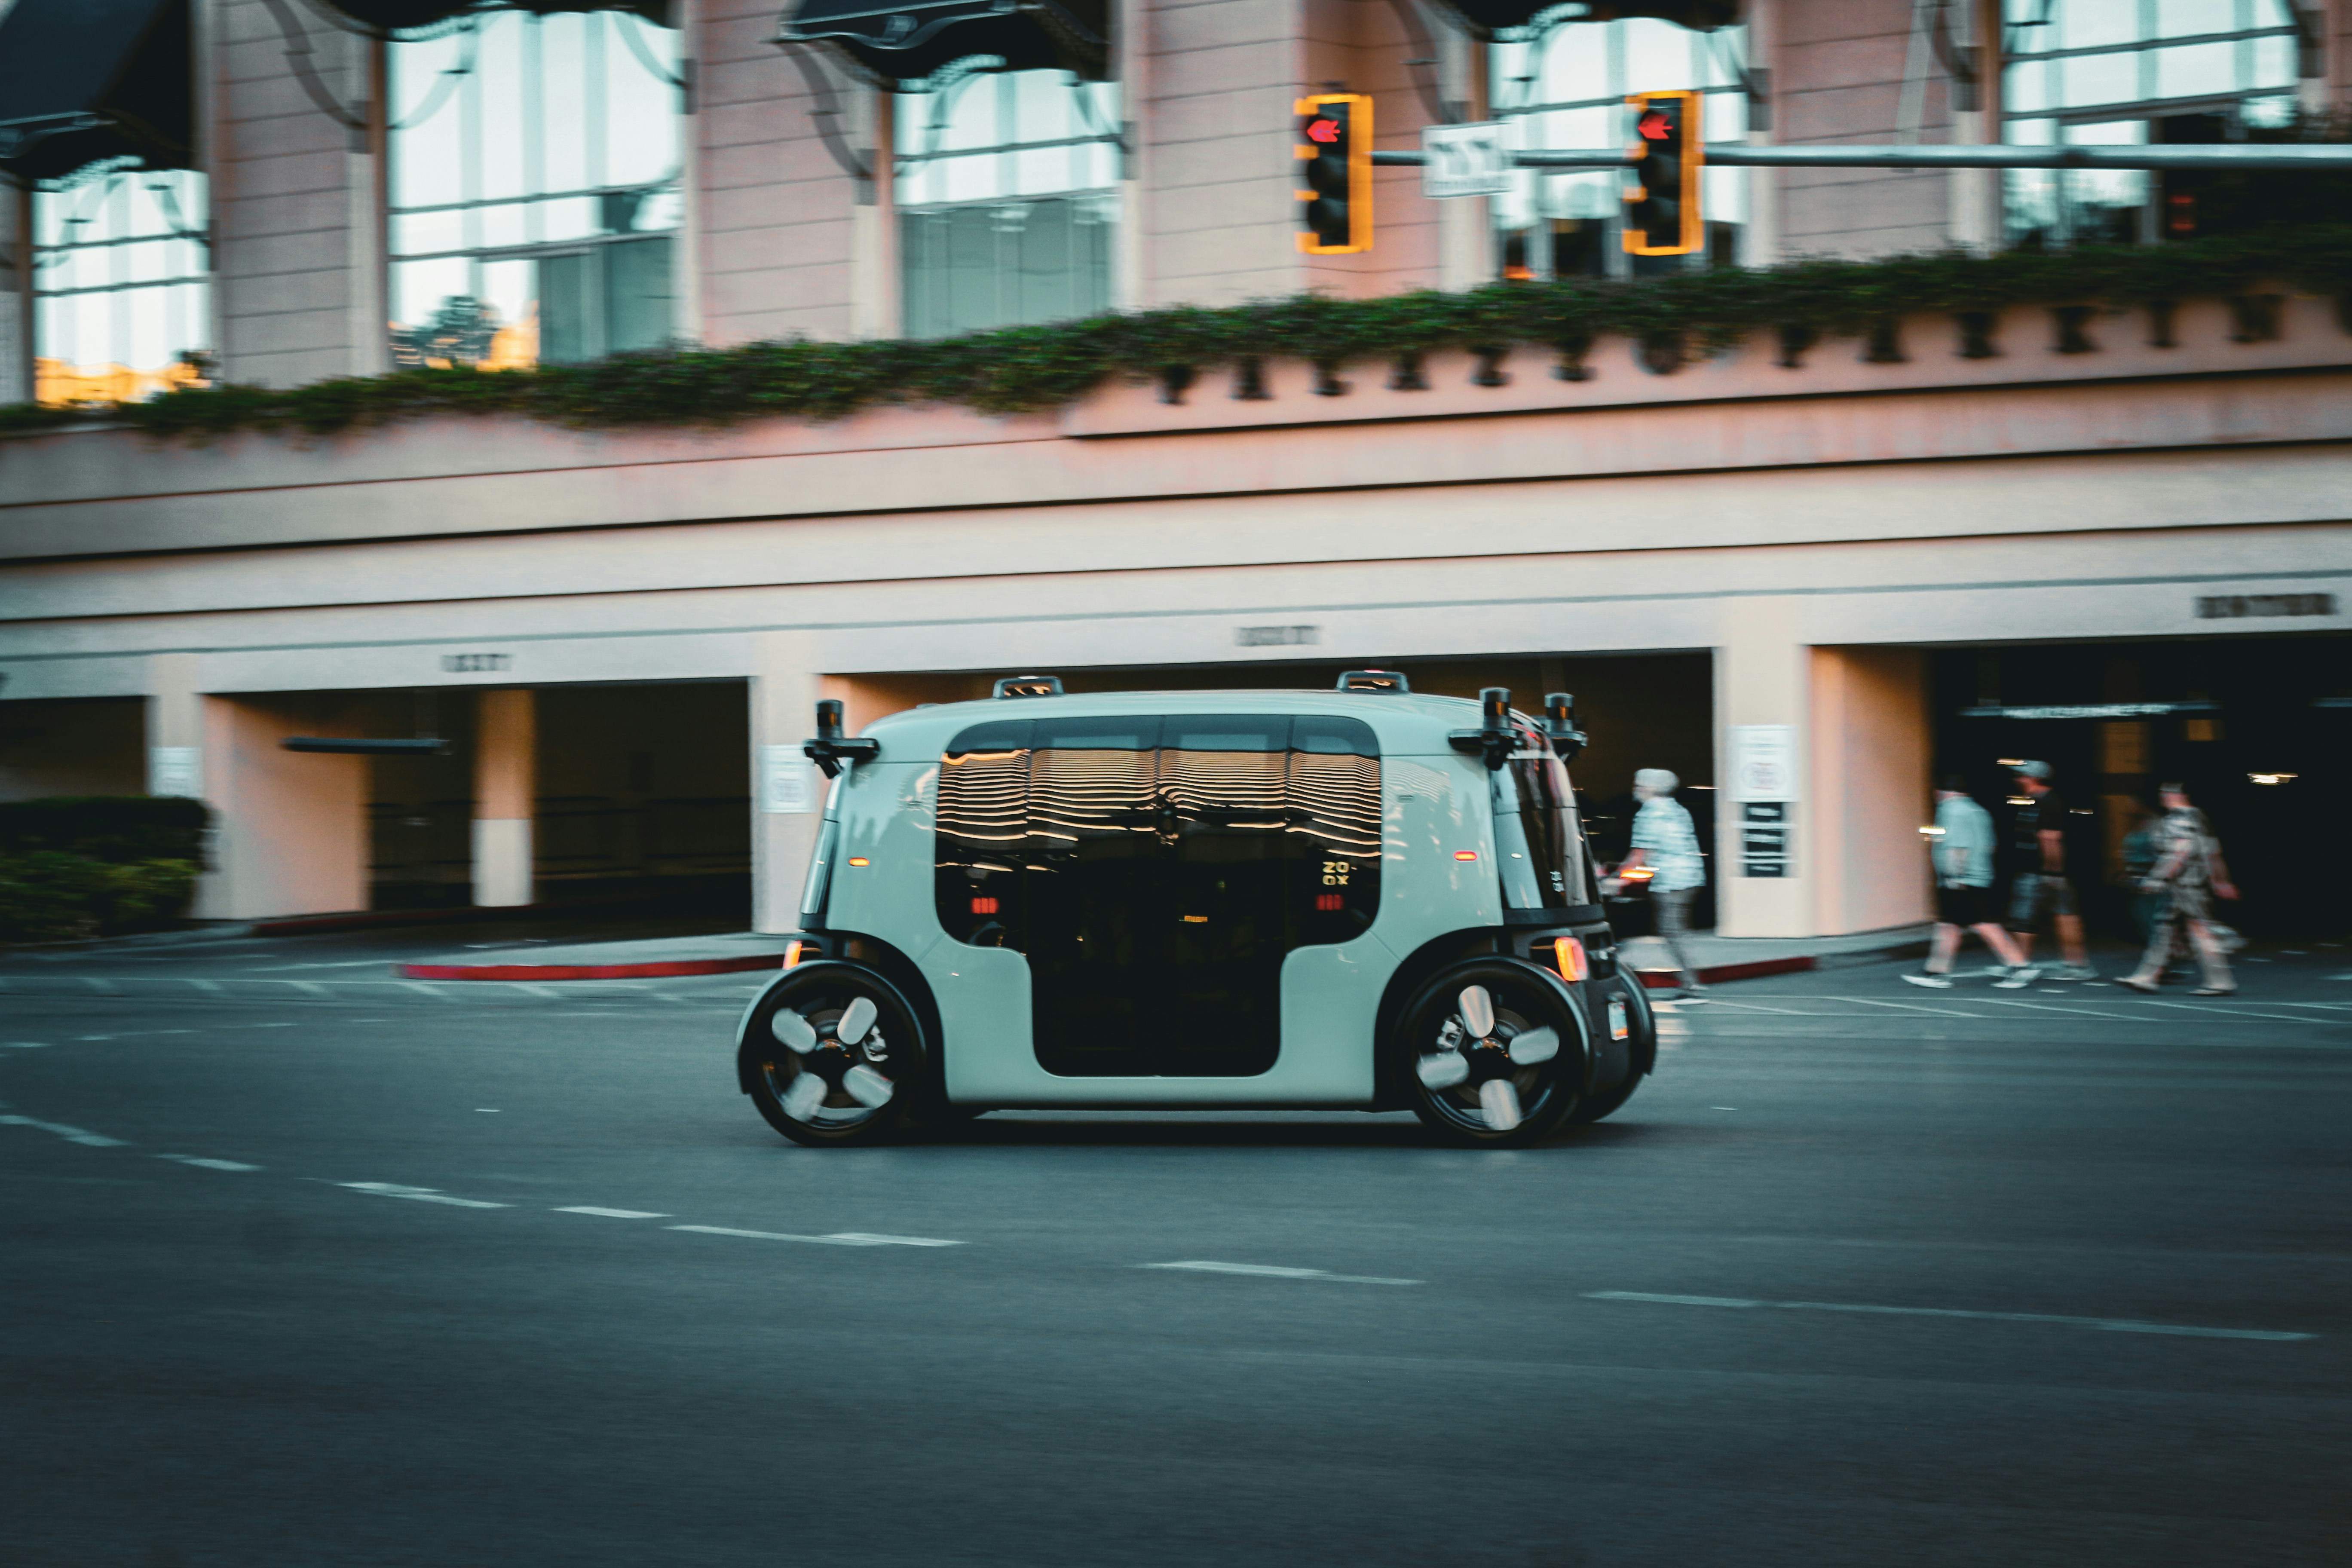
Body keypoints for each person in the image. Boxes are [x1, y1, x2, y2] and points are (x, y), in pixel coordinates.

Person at [1906, 777, 2037, 989]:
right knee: (1950, 926)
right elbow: (1990, 845)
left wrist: (1953, 878)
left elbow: (1958, 846)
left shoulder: (1951, 810)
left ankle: (2019, 966)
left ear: (1942, 792)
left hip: (1961, 879)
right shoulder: (1979, 811)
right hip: (1979, 876)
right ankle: (1936, 972)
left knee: (1983, 924)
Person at [2120, 783, 2238, 996]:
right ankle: (2148, 976)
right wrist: (2221, 881)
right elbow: (2213, 853)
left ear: (2180, 795)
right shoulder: (2198, 817)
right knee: (2165, 930)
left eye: (2168, 792)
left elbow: (2180, 852)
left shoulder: (2179, 818)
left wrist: (2158, 878)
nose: (2164, 796)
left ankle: (2220, 980)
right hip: (2189, 885)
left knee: (2198, 931)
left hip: (2185, 885)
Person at [1617, 768, 1708, 999]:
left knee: (1672, 931)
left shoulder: (1649, 813)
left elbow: (1640, 854)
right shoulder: (1678, 810)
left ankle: (1691, 985)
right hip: (1691, 877)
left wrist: (1616, 878)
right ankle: (1689, 981)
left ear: (1651, 788)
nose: (1636, 789)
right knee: (1673, 930)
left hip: (1671, 881)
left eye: (1639, 785)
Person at [2004, 760, 2095, 980]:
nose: (2018, 779)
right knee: (2065, 915)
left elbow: (2051, 838)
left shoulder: (2048, 803)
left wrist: (2052, 872)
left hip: (2039, 871)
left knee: (2023, 919)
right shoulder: (2036, 802)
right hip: (2047, 872)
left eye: (2022, 776)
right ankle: (2077, 966)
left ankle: (2021, 965)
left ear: (2035, 778)